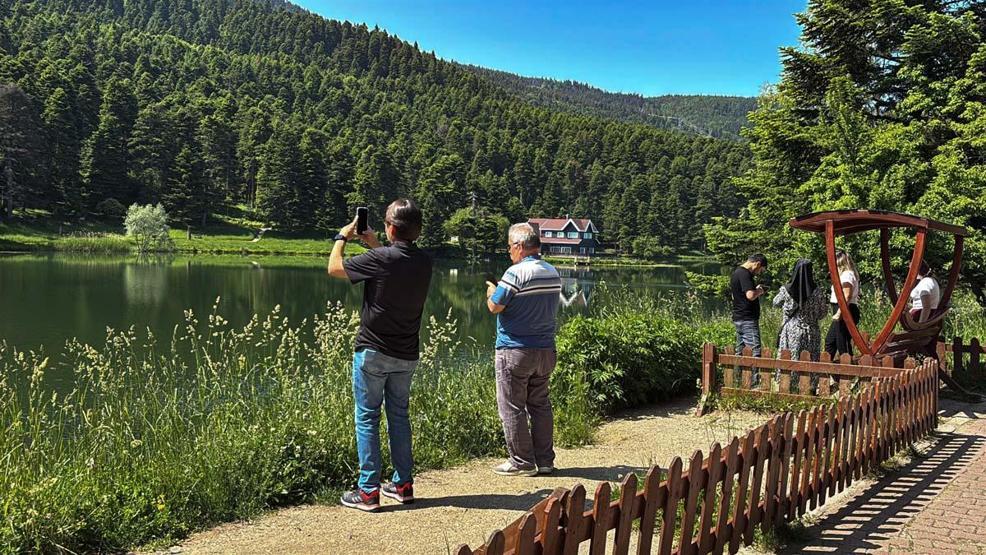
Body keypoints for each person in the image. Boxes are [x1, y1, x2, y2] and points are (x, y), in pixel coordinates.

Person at [327, 199, 432, 512]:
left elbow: (334, 268)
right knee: (399, 417)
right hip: (406, 354)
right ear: (418, 230)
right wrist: (374, 242)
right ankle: (403, 485)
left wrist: (342, 237)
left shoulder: (383, 258)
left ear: (390, 227)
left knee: (367, 418)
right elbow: (391, 258)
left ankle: (369, 491)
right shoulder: (425, 261)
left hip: (373, 352)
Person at [485, 223, 562, 477]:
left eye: (510, 247)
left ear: (519, 246)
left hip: (515, 350)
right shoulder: (552, 272)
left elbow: (496, 307)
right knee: (540, 404)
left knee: (512, 406)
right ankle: (546, 461)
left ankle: (521, 461)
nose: (509, 252)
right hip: (546, 349)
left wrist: (490, 291)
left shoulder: (515, 273)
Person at [773, 259, 828, 359]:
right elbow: (823, 313)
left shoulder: (786, 290)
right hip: (812, 331)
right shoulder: (817, 291)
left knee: (790, 360)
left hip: (791, 330)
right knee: (810, 361)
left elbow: (775, 303)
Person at [824, 250, 861, 359]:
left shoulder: (846, 275)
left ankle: (848, 370)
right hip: (843, 309)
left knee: (842, 343)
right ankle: (828, 371)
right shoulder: (846, 275)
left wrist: (840, 312)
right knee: (831, 341)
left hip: (845, 309)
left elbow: (847, 295)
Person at [730, 254, 768, 356]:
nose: (759, 273)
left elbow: (735, 295)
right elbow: (750, 295)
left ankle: (738, 372)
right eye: (761, 270)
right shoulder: (746, 274)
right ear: (757, 264)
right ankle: (754, 372)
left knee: (740, 352)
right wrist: (760, 290)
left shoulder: (736, 272)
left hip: (738, 317)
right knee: (755, 352)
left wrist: (755, 289)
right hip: (748, 319)